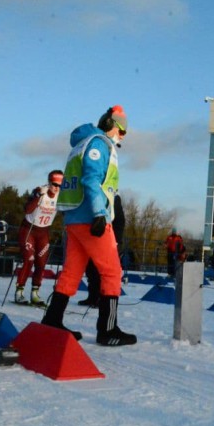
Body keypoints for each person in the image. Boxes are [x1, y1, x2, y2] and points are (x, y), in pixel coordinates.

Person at [40, 105, 136, 346]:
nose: (122, 136)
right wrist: (99, 213)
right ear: (113, 125)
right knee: (112, 272)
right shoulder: (99, 143)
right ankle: (108, 329)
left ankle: (52, 320)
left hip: (74, 218)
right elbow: (92, 179)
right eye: (122, 131)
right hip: (91, 217)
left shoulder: (80, 144)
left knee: (72, 272)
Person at [14, 170, 64, 306]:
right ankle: (19, 292)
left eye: (61, 185)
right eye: (54, 184)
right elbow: (27, 209)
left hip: (44, 232)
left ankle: (35, 293)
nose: (57, 188)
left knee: (41, 264)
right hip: (29, 229)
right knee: (29, 260)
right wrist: (37, 197)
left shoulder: (62, 195)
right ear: (49, 182)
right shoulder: (39, 191)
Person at [79, 193, 124, 307]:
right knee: (90, 269)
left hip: (109, 238)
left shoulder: (114, 198)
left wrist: (117, 240)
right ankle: (92, 296)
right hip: (92, 236)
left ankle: (102, 298)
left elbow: (120, 221)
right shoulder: (93, 195)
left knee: (103, 271)